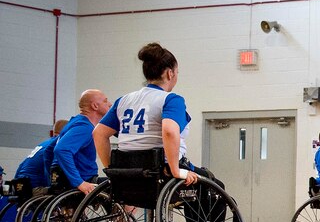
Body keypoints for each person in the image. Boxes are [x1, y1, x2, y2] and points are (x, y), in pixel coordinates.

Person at [93, 43, 202, 188]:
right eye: (177, 72)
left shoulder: (123, 101)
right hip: (159, 169)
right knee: (213, 186)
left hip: (127, 170)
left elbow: (98, 134)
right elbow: (169, 131)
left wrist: (112, 169)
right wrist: (176, 170)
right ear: (170, 73)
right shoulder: (171, 100)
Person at [53, 93, 112, 195]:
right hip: (84, 179)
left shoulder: (74, 122)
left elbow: (48, 150)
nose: (110, 104)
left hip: (62, 178)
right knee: (125, 186)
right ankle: (127, 212)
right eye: (105, 101)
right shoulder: (85, 127)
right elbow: (61, 150)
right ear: (95, 106)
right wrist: (79, 183)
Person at [14, 119, 68, 195]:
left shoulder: (42, 144)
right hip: (35, 188)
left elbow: (21, 165)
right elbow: (49, 168)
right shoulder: (56, 145)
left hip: (21, 185)